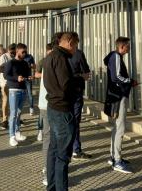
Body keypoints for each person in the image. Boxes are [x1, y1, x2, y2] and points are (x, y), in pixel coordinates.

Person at [45, 32, 80, 191]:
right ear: (70, 42)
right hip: (62, 110)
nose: (76, 49)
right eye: (76, 45)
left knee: (53, 151)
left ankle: (52, 187)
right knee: (62, 156)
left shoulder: (51, 55)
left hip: (53, 107)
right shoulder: (61, 58)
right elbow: (65, 85)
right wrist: (78, 81)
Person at [104, 37, 137, 174]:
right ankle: (117, 160)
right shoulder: (116, 56)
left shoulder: (114, 57)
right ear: (122, 46)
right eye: (128, 46)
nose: (129, 48)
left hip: (116, 96)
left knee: (116, 127)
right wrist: (130, 81)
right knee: (120, 128)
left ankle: (114, 157)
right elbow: (116, 77)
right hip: (118, 97)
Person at [4, 43, 33, 147]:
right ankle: (11, 136)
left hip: (23, 90)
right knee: (13, 113)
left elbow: (27, 74)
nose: (25, 53)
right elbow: (5, 75)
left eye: (25, 51)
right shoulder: (11, 63)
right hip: (13, 90)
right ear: (17, 51)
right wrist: (16, 78)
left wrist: (29, 77)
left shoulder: (25, 63)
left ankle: (17, 132)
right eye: (23, 52)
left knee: (19, 112)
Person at [67, 47, 92, 161]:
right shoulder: (78, 53)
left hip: (63, 93)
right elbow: (86, 72)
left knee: (67, 121)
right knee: (75, 121)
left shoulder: (57, 55)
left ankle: (67, 148)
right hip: (76, 91)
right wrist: (82, 75)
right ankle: (76, 150)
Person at [36, 43, 53, 186]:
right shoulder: (49, 62)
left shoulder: (48, 62)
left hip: (46, 105)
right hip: (49, 106)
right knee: (49, 139)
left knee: (49, 138)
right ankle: (48, 173)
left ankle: (48, 169)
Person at [0, 43, 16, 129]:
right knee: (5, 101)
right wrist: (8, 69)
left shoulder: (14, 57)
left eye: (14, 51)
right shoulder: (3, 57)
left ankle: (14, 118)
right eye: (12, 51)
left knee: (13, 101)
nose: (13, 53)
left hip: (13, 83)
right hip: (5, 83)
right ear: (9, 50)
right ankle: (4, 120)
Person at [23, 51, 36, 116]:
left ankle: (31, 109)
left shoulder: (30, 57)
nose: (24, 53)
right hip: (21, 78)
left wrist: (33, 75)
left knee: (29, 94)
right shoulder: (19, 56)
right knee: (22, 94)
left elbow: (34, 67)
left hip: (28, 78)